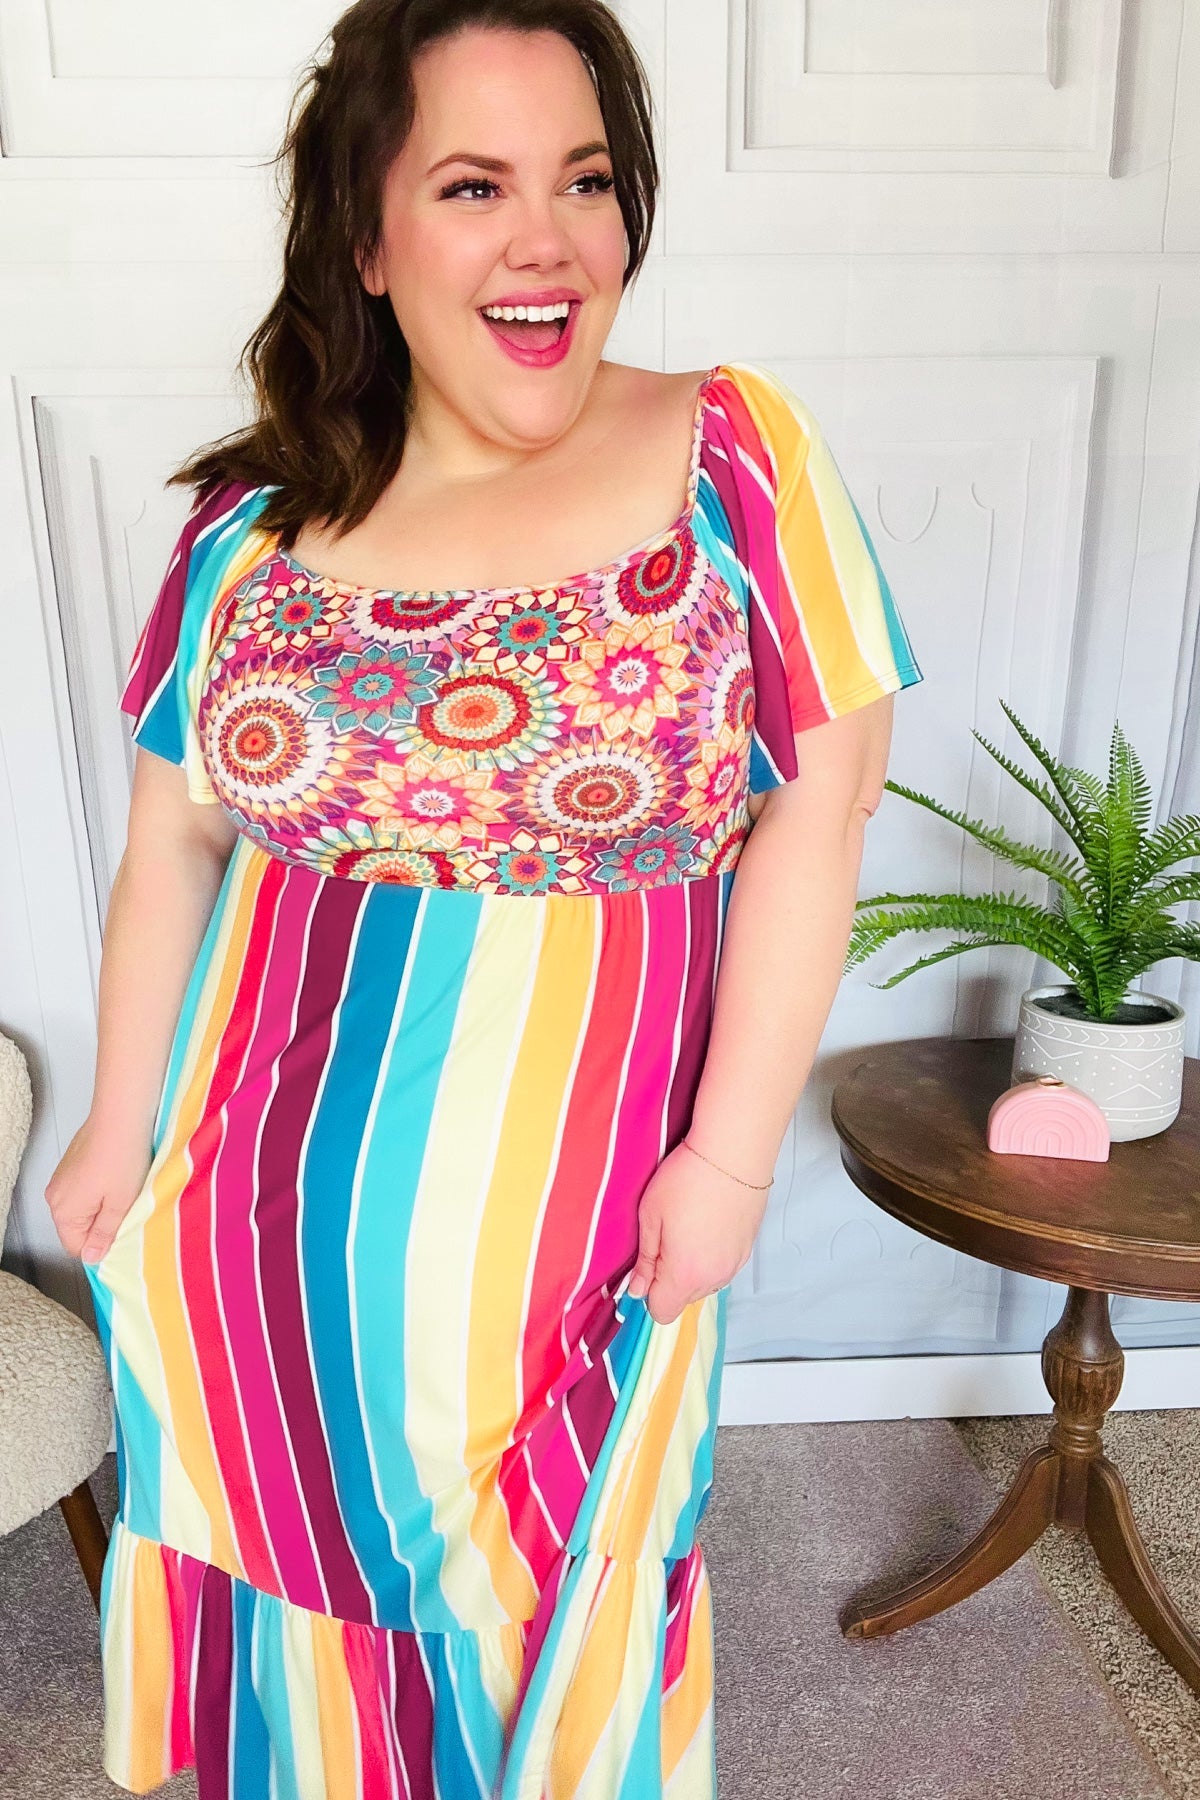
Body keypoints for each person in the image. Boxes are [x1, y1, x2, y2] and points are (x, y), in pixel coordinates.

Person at [45, 1, 923, 1794]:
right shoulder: (249, 527)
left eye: (585, 181)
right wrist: (118, 1130)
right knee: (287, 1641)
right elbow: (176, 843)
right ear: (366, 241)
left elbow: (821, 811)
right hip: (245, 1232)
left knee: (555, 1627)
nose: (548, 240)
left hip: (577, 1240)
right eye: (472, 186)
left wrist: (730, 1161)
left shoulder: (732, 453)